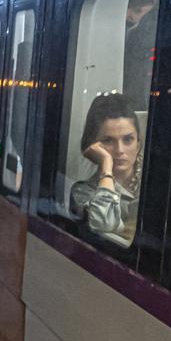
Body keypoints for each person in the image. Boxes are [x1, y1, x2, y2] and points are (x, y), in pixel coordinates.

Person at [69, 94, 143, 241]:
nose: (119, 149)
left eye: (128, 139)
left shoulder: (155, 184)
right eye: (108, 141)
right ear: (93, 146)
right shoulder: (83, 193)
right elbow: (104, 223)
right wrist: (106, 164)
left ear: (138, 144)